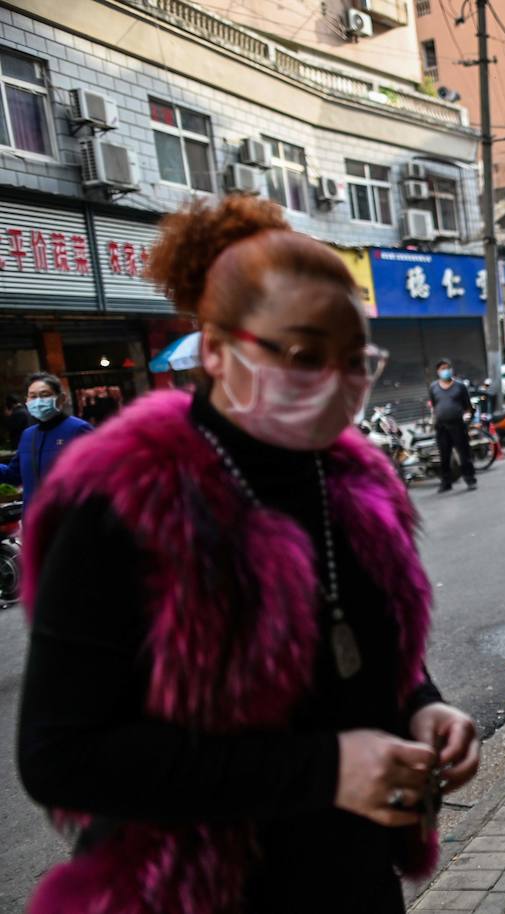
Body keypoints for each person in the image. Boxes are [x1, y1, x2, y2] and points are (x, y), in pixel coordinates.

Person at [17, 196, 481, 914]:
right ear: (215, 351)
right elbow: (61, 756)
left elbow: (356, 633)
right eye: (301, 356)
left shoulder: (354, 481)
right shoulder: (124, 502)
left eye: (355, 360)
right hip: (194, 890)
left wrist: (421, 702)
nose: (336, 382)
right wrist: (323, 769)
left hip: (354, 873)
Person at [0, 373, 93, 512]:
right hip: (34, 519)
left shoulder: (78, 429)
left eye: (44, 395)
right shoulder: (28, 435)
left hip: (70, 520)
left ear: (61, 399)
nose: (38, 401)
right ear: (27, 400)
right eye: (33, 396)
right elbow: (14, 475)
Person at [428, 359, 477, 492]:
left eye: (447, 368)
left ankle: (470, 479)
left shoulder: (460, 386)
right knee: (444, 455)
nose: (445, 371)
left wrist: (467, 417)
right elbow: (434, 404)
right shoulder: (433, 387)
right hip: (441, 426)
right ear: (438, 372)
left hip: (457, 425)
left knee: (464, 454)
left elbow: (467, 406)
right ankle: (446, 482)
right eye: (442, 368)